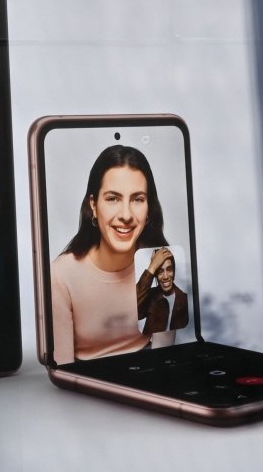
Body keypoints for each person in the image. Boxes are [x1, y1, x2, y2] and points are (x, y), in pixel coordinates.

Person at [49, 145, 172, 361]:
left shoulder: (163, 264)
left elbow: (163, 357)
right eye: (113, 198)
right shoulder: (61, 275)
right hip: (84, 382)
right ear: (94, 205)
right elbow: (64, 370)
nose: (126, 215)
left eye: (137, 199)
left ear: (149, 210)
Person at [137, 246, 190, 336]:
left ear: (174, 271)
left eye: (169, 269)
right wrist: (152, 267)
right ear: (155, 275)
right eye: (160, 271)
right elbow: (132, 311)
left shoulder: (185, 299)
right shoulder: (149, 295)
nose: (165, 276)